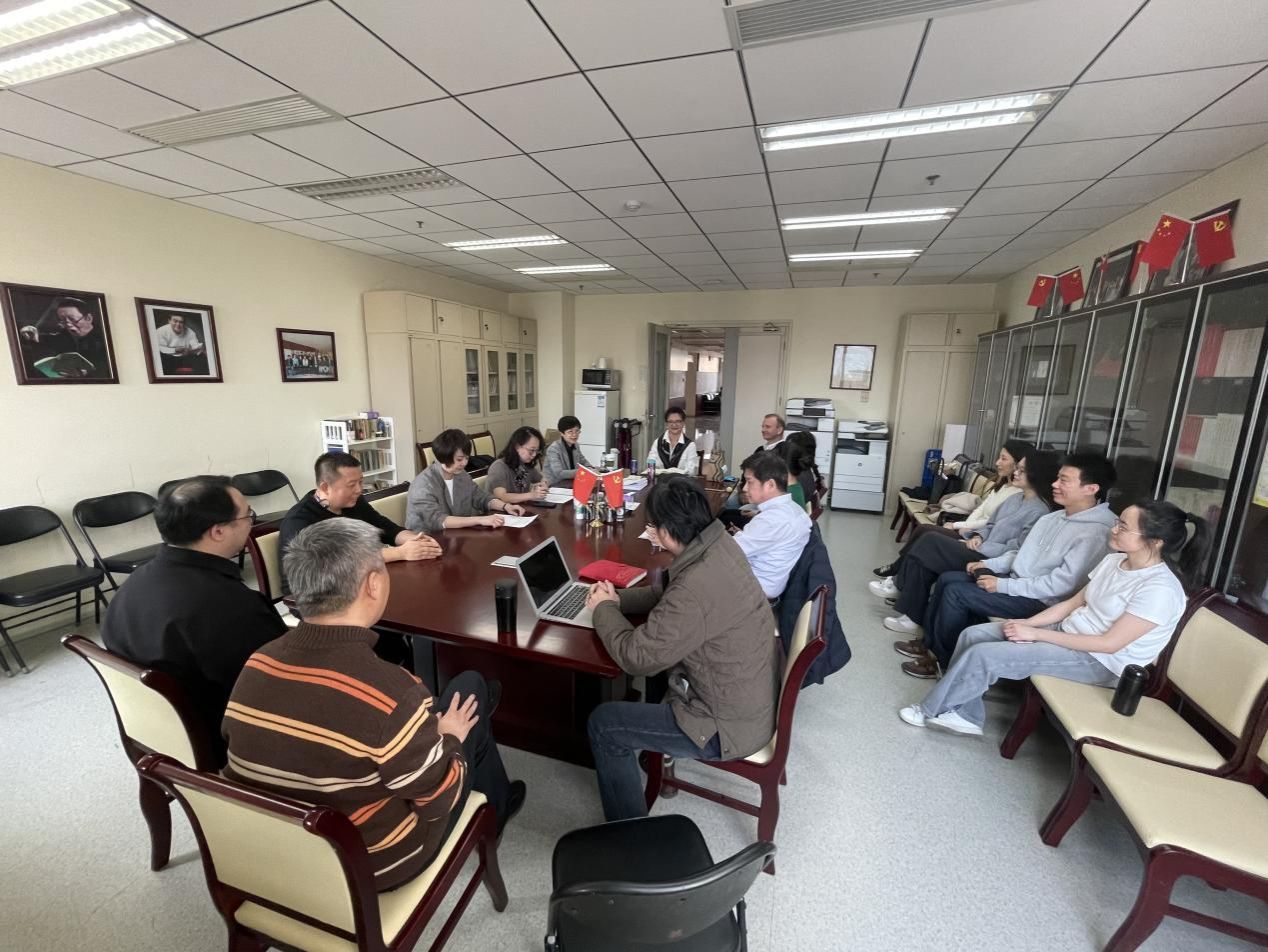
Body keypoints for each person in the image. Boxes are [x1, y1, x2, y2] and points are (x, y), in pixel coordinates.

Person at [222, 519, 525, 889]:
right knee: (469, 689)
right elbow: (438, 800)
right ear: (374, 584)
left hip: (272, 855)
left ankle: (498, 799)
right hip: (370, 866)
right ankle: (495, 808)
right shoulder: (394, 693)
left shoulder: (256, 663)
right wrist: (451, 739)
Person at [899, 501, 1210, 737]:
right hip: (1068, 635)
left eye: (1124, 527)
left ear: (1155, 541)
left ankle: (929, 710)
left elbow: (1108, 644)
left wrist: (1036, 635)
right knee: (974, 635)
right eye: (1118, 522)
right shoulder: (1115, 562)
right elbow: (1071, 604)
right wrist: (1029, 625)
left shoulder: (1160, 589)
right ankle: (966, 713)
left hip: (1101, 663)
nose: (1114, 529)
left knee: (985, 655)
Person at [584, 477, 781, 821]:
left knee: (604, 724)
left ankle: (627, 833)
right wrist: (616, 600)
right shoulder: (717, 544)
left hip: (722, 725)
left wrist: (603, 611)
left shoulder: (694, 588)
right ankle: (651, 752)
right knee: (658, 667)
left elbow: (636, 658)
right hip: (746, 697)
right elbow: (668, 594)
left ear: (664, 531)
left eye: (651, 528)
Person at [101, 476, 286, 766]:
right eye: (248, 515)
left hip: (157, 728)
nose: (252, 522)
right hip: (220, 735)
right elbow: (278, 683)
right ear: (218, 531)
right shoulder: (229, 606)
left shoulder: (133, 584)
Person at [898, 453, 1118, 678]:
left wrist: (1002, 585)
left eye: (1064, 480)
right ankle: (930, 645)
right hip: (1018, 584)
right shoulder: (1054, 517)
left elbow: (1060, 586)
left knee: (957, 592)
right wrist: (986, 564)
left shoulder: (1097, 531)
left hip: (1043, 603)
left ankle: (941, 662)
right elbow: (1020, 554)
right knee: (948, 579)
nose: (1054, 484)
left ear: (1091, 489)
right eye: (1057, 478)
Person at [875, 450, 1058, 627]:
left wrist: (981, 546)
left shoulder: (1039, 511)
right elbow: (990, 525)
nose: (1016, 473)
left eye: (1022, 470)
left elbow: (1017, 548)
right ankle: (912, 616)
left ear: (1037, 474)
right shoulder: (1015, 498)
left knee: (929, 541)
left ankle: (900, 586)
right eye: (1017, 468)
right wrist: (978, 536)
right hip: (979, 547)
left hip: (991, 559)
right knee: (925, 556)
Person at [279, 452, 441, 591]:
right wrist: (400, 552)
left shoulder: (353, 502)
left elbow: (384, 527)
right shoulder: (300, 521)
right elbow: (336, 563)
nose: (359, 489)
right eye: (351, 485)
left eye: (361, 482)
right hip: (314, 595)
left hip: (357, 580)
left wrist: (416, 540)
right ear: (325, 487)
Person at [874, 440, 1030, 577]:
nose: (997, 462)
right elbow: (980, 510)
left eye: (1003, 459)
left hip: (977, 539)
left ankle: (897, 571)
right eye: (999, 457)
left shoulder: (1016, 495)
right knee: (924, 531)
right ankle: (898, 570)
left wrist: (957, 525)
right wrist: (964, 527)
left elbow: (990, 522)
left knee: (926, 533)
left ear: (1018, 464)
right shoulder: (1002, 486)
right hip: (970, 531)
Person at [728, 451, 812, 600]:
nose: (745, 488)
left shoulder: (771, 519)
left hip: (752, 590)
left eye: (750, 482)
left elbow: (728, 553)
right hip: (766, 582)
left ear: (770, 484)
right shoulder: (794, 509)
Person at [407, 428, 527, 532]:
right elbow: (438, 520)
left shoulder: (461, 475)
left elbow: (480, 497)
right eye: (459, 459)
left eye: (467, 458)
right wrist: (480, 520)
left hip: (457, 536)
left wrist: (505, 506)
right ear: (445, 457)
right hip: (427, 541)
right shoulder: (423, 485)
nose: (464, 463)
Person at [17, 296, 112, 379]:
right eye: (63, 320)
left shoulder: (106, 339)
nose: (68, 325)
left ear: (88, 318)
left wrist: (88, 374)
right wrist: (31, 335)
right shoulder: (63, 336)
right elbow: (44, 340)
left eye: (72, 319)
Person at [486, 426, 547, 505]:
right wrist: (531, 495)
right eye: (531, 450)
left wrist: (543, 484)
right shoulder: (499, 467)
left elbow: (542, 478)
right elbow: (502, 497)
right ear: (517, 446)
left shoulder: (525, 464)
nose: (534, 455)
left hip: (520, 508)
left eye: (537, 451)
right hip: (500, 510)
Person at [543, 415, 594, 486]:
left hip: (571, 482)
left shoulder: (576, 445)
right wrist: (584, 471)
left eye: (577, 431)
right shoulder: (553, 449)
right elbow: (559, 473)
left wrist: (591, 468)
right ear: (561, 433)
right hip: (555, 485)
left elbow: (583, 461)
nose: (575, 435)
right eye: (570, 432)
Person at [652, 407, 699, 475]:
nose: (674, 425)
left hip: (681, 481)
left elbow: (691, 471)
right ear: (667, 424)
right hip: (660, 480)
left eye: (678, 421)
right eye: (670, 421)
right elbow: (651, 465)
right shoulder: (658, 443)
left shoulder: (690, 445)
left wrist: (670, 472)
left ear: (683, 423)